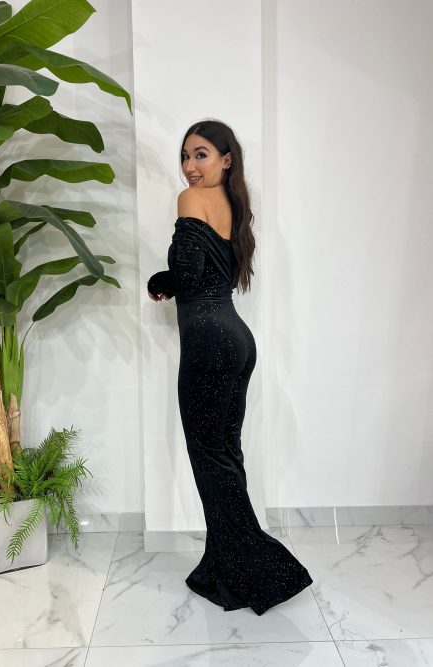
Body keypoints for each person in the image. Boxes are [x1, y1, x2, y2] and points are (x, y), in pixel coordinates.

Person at [147, 119, 313, 615]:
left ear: (226, 159)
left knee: (209, 457)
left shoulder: (189, 200)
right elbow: (207, 273)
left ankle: (258, 571)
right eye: (185, 156)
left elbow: (187, 274)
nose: (190, 167)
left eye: (201, 154)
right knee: (226, 453)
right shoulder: (234, 205)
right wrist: (172, 280)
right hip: (236, 340)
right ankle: (224, 565)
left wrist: (160, 280)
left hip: (208, 343)